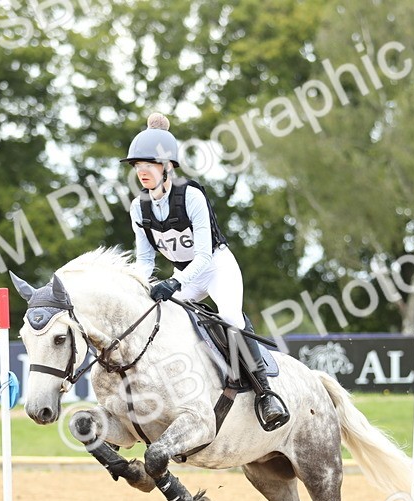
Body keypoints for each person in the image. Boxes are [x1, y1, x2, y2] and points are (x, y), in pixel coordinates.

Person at [121, 112, 289, 430]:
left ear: (167, 166)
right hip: (182, 274)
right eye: (137, 165)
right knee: (158, 320)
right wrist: (143, 284)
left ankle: (265, 393)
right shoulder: (138, 208)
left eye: (149, 164)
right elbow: (144, 259)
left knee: (230, 317)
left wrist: (172, 282)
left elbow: (203, 256)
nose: (141, 170)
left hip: (215, 267)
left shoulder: (192, 196)